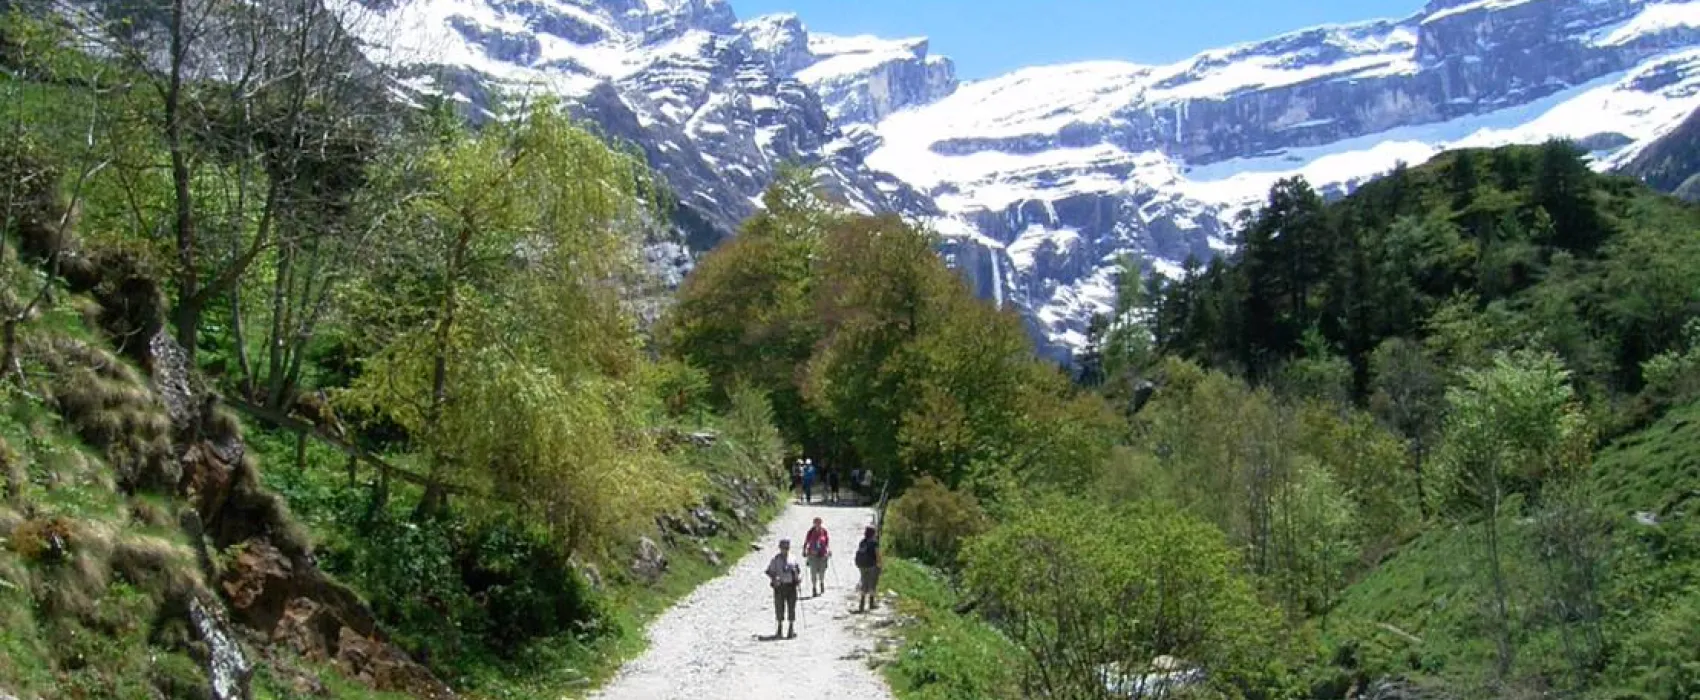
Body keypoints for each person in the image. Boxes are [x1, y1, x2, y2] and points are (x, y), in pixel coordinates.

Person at [765, 538, 801, 639]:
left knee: (791, 608)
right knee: (779, 608)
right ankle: (779, 629)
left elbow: (798, 570)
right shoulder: (775, 559)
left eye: (787, 548)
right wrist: (774, 578)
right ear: (780, 548)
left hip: (791, 586)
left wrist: (797, 578)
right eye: (783, 548)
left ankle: (791, 628)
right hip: (780, 587)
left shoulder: (793, 558)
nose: (785, 550)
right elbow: (769, 571)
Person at [854, 526, 882, 613]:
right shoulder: (874, 542)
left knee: (864, 583)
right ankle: (871, 603)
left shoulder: (862, 542)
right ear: (873, 533)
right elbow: (877, 554)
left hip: (862, 566)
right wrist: (880, 564)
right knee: (872, 584)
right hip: (872, 565)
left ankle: (861, 604)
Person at [803, 517, 830, 597]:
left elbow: (827, 543)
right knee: (813, 572)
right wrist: (804, 551)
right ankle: (814, 588)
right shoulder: (810, 532)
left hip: (822, 555)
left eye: (819, 523)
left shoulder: (824, 531)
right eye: (816, 523)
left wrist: (828, 551)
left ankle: (821, 582)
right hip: (812, 555)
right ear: (814, 523)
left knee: (822, 571)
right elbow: (806, 542)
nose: (817, 524)